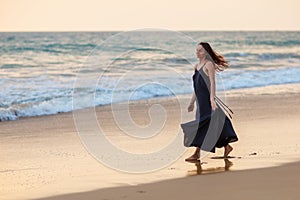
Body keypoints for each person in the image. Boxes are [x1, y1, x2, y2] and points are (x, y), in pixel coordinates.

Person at [184, 42, 238, 162]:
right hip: (200, 102)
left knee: (203, 126)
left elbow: (213, 83)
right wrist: (192, 102)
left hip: (208, 101)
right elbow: (196, 87)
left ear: (206, 52)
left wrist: (212, 99)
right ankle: (227, 146)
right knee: (212, 125)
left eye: (200, 51)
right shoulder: (196, 66)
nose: (197, 52)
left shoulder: (209, 65)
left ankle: (196, 153)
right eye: (197, 50)